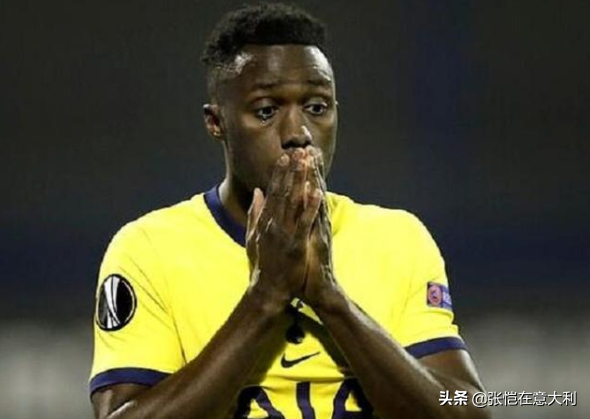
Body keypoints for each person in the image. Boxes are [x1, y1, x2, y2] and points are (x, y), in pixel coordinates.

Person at [90, 3, 490, 418]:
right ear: (216, 123)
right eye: (266, 111)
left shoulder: (398, 240)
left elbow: (471, 409)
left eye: (317, 107)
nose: (298, 134)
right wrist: (264, 298)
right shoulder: (150, 250)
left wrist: (330, 298)